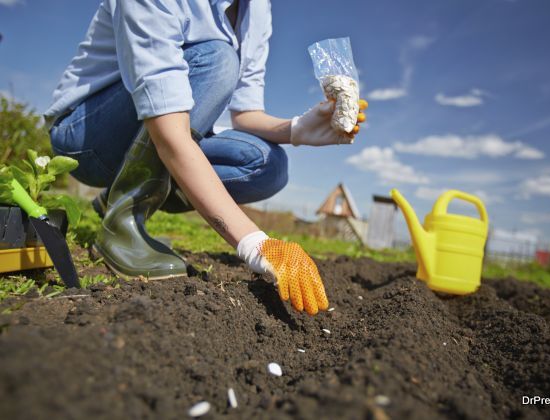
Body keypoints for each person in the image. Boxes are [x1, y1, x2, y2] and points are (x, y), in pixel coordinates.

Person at [44, 0, 367, 316]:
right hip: (86, 136)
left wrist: (297, 129)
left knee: (266, 164)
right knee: (217, 58)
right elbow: (169, 133)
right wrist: (254, 242)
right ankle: (123, 220)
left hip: (168, 127)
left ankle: (112, 198)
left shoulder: (257, 9)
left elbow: (246, 114)